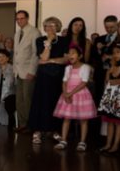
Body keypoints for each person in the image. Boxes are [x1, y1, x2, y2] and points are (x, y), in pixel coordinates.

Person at [29, 17, 68, 145]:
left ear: (58, 27)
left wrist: (51, 61)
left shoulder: (64, 41)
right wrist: (49, 41)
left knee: (55, 102)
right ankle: (38, 131)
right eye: (47, 26)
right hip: (44, 77)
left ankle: (54, 130)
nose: (50, 28)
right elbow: (44, 56)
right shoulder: (40, 40)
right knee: (41, 102)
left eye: (53, 26)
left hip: (58, 77)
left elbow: (66, 60)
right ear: (44, 28)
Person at [52, 45, 95, 151]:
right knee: (67, 118)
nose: (70, 55)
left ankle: (82, 141)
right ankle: (63, 140)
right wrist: (65, 93)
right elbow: (64, 81)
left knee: (83, 120)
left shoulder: (85, 67)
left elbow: (84, 82)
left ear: (80, 56)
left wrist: (70, 93)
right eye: (69, 53)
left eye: (73, 53)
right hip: (68, 94)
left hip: (80, 94)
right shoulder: (68, 68)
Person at [12, 10, 40, 131]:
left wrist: (32, 71)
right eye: (17, 19)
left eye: (22, 18)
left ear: (27, 18)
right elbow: (16, 54)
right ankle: (22, 124)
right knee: (19, 100)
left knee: (28, 99)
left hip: (28, 71)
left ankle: (30, 124)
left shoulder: (34, 32)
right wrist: (14, 70)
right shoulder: (17, 33)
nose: (19, 21)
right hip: (18, 71)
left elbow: (35, 53)